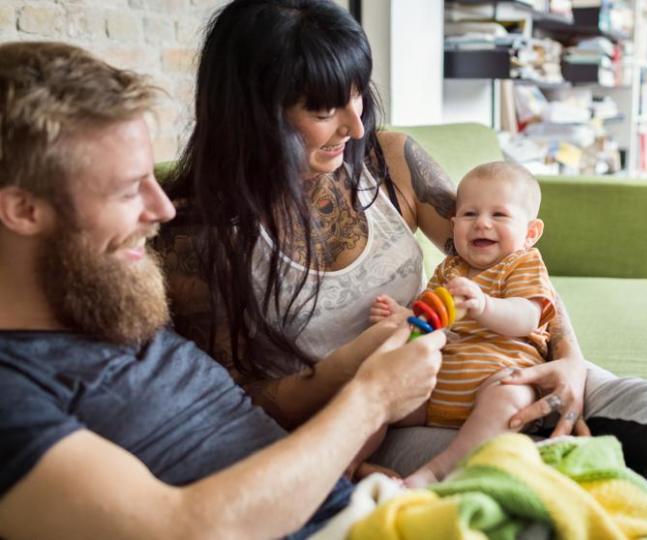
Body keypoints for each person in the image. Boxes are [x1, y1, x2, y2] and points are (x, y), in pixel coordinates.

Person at [161, 0, 647, 537]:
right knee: (587, 455)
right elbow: (253, 407)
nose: (359, 121)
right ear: (255, 110)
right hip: (403, 418)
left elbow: (514, 257)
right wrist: (368, 372)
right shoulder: (199, 238)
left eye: (359, 94)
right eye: (325, 108)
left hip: (505, 349)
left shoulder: (386, 160)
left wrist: (566, 358)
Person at [0, 41, 446, 539]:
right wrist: (371, 397)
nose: (162, 209)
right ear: (22, 210)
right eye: (128, 191)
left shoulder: (109, 300)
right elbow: (185, 528)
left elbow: (229, 438)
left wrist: (333, 467)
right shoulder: (16, 386)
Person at [369, 161, 557, 487]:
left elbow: (526, 317)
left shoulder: (522, 263)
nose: (482, 223)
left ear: (530, 233)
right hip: (438, 388)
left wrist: (484, 305)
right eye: (470, 214)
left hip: (498, 379)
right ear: (454, 224)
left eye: (498, 215)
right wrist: (407, 317)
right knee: (384, 387)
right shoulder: (449, 269)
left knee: (509, 397)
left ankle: (436, 472)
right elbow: (430, 315)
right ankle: (353, 463)